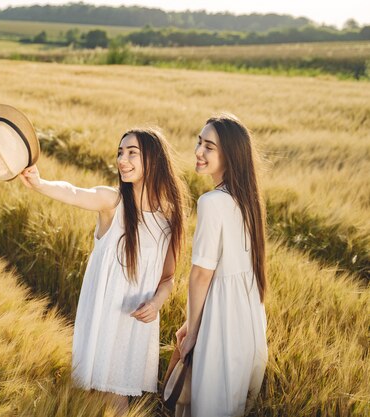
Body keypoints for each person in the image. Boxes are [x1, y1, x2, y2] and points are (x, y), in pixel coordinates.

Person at [19, 127, 186, 415]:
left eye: (132, 153)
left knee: (112, 397)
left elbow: (168, 277)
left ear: (154, 159)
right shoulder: (112, 203)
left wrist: (157, 303)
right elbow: (73, 192)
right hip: (103, 317)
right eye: (120, 152)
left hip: (134, 322)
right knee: (100, 395)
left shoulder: (168, 218)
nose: (122, 159)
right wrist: (39, 183)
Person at [176, 114, 268, 417]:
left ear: (229, 155)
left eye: (209, 147)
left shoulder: (212, 202)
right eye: (199, 142)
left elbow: (202, 274)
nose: (198, 152)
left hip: (221, 318)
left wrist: (192, 330)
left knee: (209, 406)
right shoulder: (249, 200)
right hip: (250, 317)